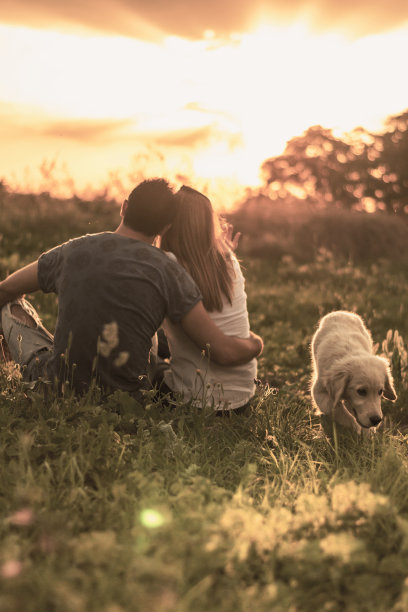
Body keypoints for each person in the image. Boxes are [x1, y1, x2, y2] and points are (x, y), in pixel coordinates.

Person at [0, 179, 262, 401]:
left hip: (59, 388)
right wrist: (256, 343)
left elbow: (8, 287)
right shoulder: (168, 271)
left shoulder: (73, 250)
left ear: (124, 207)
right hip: (128, 397)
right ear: (165, 228)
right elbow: (220, 349)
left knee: (10, 305)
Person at [159, 185, 258, 412]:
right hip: (242, 399)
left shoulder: (167, 265)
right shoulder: (229, 260)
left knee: (148, 360)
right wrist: (227, 252)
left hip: (197, 402)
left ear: (168, 225)